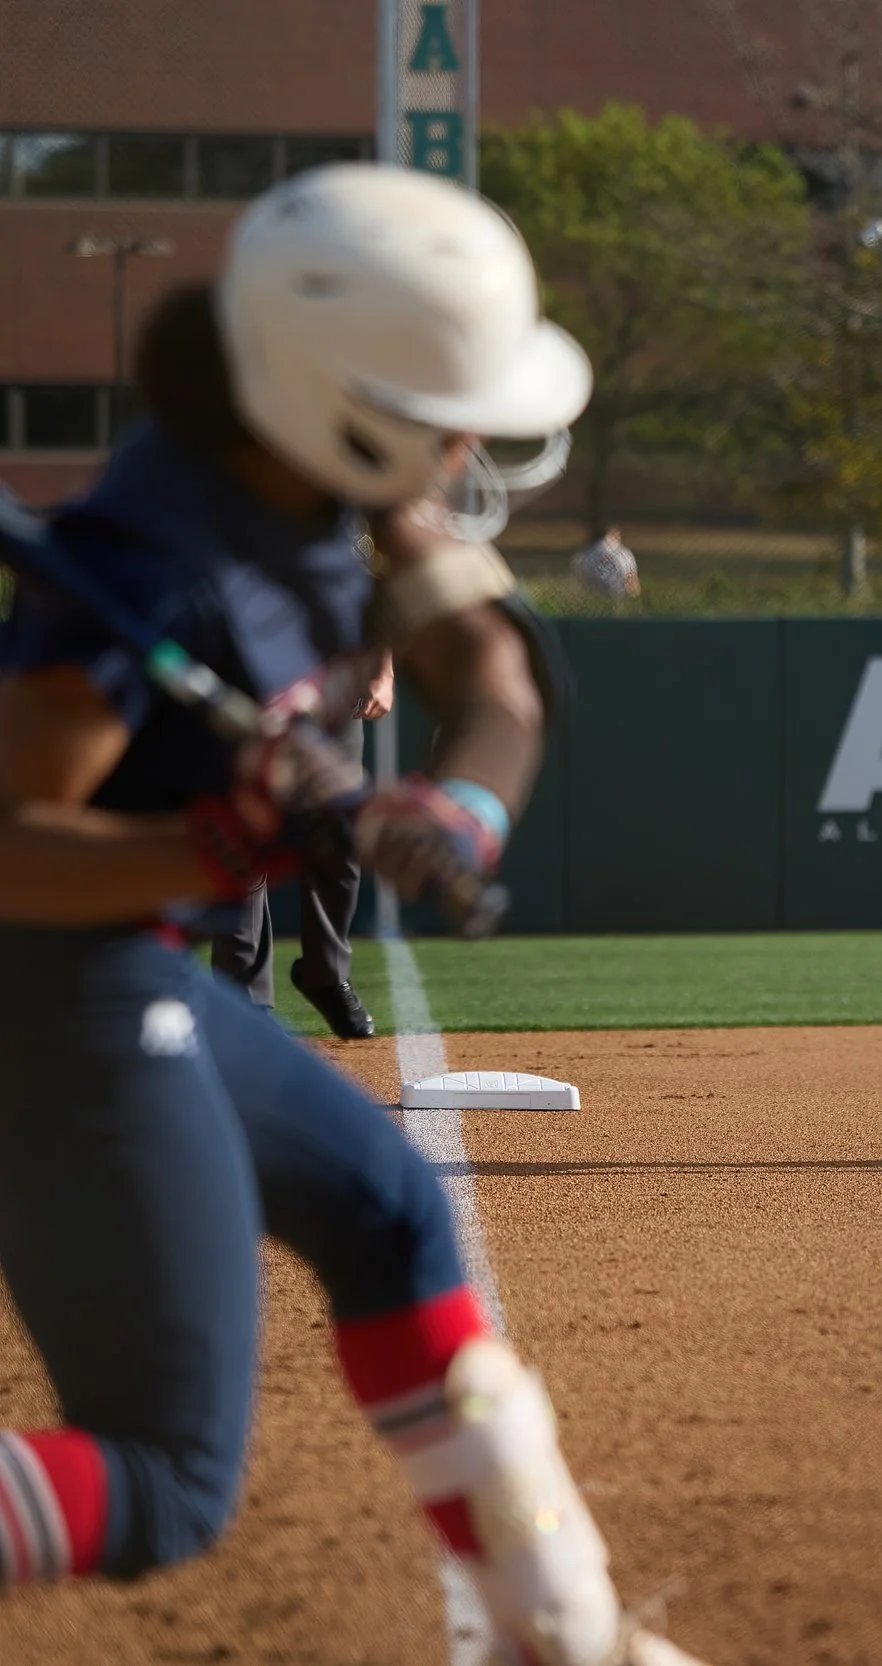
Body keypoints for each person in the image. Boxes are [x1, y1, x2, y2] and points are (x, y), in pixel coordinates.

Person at [0, 165, 711, 1666]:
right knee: (165, 1483)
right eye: (446, 407)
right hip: (47, 1000)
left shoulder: (343, 488)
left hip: (132, 974)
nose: (465, 439)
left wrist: (456, 809)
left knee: (392, 1215)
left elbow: (501, 686)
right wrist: (220, 830)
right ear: (346, 399)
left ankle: (561, 1640)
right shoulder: (141, 578)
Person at [207, 651, 393, 1038]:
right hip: (246, 667)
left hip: (331, 675)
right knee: (244, 832)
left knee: (341, 831)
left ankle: (324, 974)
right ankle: (244, 1000)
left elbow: (384, 593)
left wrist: (382, 671)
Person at [572, 525, 640, 600]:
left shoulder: (588, 552)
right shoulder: (625, 553)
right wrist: (634, 594)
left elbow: (580, 571)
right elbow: (631, 578)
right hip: (616, 596)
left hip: (594, 595)